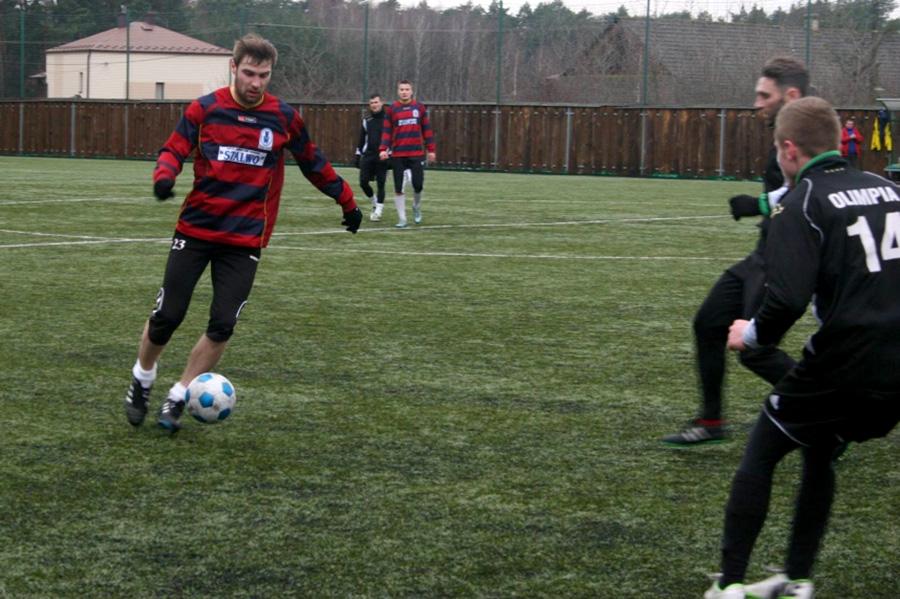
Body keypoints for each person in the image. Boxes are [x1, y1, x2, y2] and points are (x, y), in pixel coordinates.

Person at [704, 96, 900, 599]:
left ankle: (728, 586)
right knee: (819, 452)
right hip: (895, 369)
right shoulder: (888, 189)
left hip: (843, 364)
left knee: (761, 454)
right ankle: (797, 580)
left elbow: (787, 297)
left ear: (788, 150)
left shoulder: (802, 202)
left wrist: (750, 335)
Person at [123, 33, 362, 432]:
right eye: (249, 73)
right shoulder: (204, 109)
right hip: (196, 231)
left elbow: (314, 162)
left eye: (263, 75)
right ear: (233, 68)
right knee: (167, 316)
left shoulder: (284, 118)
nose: (256, 82)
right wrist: (164, 176)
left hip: (245, 240)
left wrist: (348, 202)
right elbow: (173, 149)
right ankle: (142, 379)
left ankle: (179, 394)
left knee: (222, 325)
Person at [662, 57, 806, 446]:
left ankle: (827, 412)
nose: (756, 103)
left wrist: (759, 206)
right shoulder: (785, 137)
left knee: (753, 348)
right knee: (708, 323)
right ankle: (711, 422)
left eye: (764, 95)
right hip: (762, 254)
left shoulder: (811, 139)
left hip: (784, 260)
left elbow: (810, 198)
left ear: (790, 95)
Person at [379, 79, 436, 228]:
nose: (404, 92)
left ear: (412, 91)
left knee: (418, 185)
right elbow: (386, 132)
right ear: (398, 91)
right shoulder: (392, 109)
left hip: (416, 153)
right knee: (399, 187)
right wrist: (383, 149)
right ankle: (402, 219)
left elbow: (427, 130)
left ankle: (416, 207)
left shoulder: (419, 108)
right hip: (398, 155)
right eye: (401, 89)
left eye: (407, 89)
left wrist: (431, 149)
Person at [355, 93, 390, 221]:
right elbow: (361, 139)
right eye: (372, 103)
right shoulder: (366, 120)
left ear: (381, 103)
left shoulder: (388, 119)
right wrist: (358, 155)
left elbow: (393, 138)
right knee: (363, 182)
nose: (374, 105)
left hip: (383, 156)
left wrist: (389, 153)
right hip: (368, 155)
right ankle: (375, 203)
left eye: (376, 102)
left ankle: (378, 211)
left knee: (381, 183)